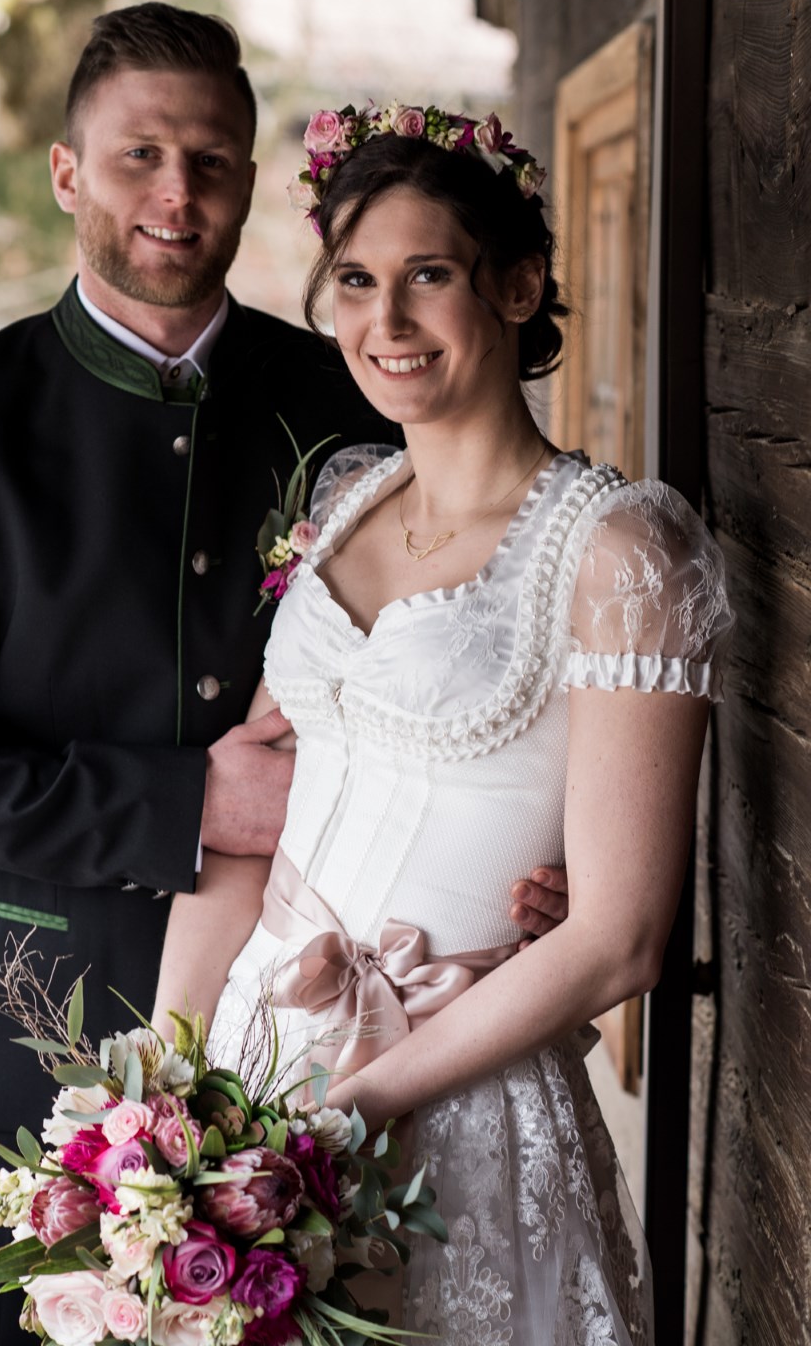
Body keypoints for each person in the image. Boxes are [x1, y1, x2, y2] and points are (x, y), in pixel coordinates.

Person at [0, 7, 565, 1344]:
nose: (178, 194)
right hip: (6, 1051)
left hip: (290, 1048)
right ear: (69, 172)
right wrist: (192, 805)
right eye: (140, 157)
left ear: (253, 181)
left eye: (214, 160)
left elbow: (472, 632)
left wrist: (523, 840)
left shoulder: (351, 396)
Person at [152, 101, 734, 1342]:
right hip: (254, 1056)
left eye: (429, 275)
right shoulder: (343, 496)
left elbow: (621, 940)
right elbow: (253, 817)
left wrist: (346, 1115)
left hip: (454, 1094)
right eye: (354, 280)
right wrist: (162, 1085)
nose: (385, 322)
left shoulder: (621, 551)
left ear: (519, 285)